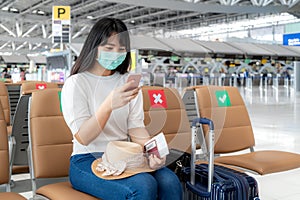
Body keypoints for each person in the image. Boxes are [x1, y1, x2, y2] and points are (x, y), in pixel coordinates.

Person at [61, 17, 183, 200]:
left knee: (170, 181)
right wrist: (109, 105)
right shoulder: (76, 83)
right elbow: (83, 137)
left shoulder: (127, 82)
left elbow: (136, 128)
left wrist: (153, 152)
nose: (115, 53)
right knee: (143, 186)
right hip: (86, 159)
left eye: (121, 49)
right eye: (109, 48)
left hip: (125, 155)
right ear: (94, 48)